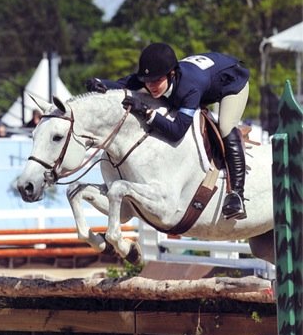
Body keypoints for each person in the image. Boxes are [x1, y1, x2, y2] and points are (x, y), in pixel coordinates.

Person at [86, 43, 249, 220]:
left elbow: (177, 131)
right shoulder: (152, 77)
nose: (151, 86)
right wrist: (101, 84)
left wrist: (147, 112)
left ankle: (237, 195)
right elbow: (122, 85)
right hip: (206, 74)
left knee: (225, 126)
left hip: (231, 81)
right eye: (147, 81)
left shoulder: (189, 88)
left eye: (156, 81)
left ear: (171, 74)